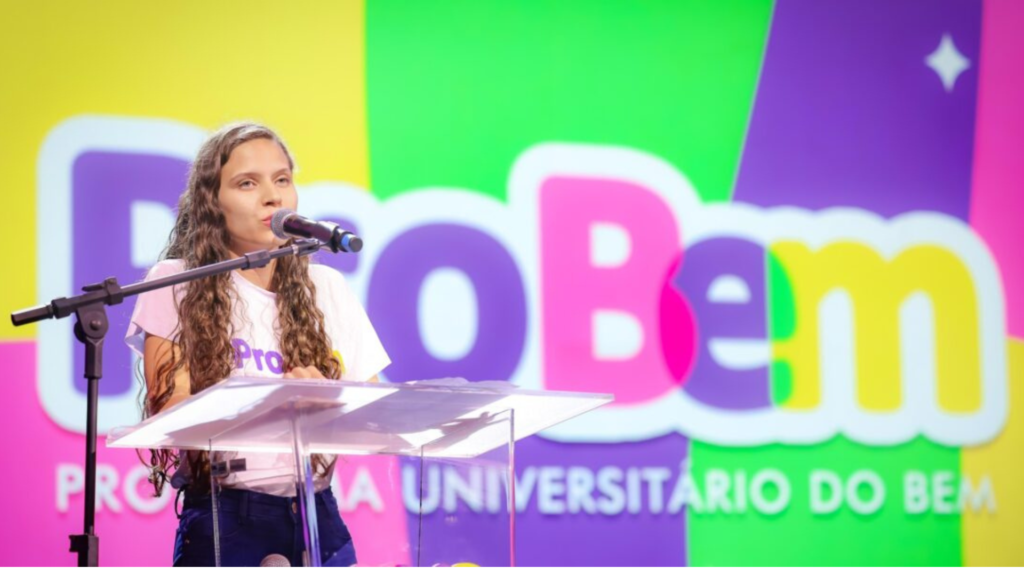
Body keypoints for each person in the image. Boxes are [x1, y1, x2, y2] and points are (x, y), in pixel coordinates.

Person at [125, 122, 390, 567]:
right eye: (247, 183)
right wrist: (279, 403)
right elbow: (170, 411)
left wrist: (328, 401)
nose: (272, 196)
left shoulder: (326, 286)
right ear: (212, 202)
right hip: (226, 515)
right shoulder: (176, 281)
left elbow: (374, 415)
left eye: (282, 179)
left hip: (317, 512)